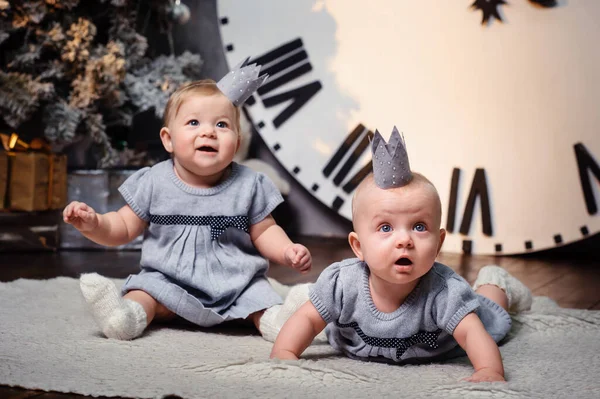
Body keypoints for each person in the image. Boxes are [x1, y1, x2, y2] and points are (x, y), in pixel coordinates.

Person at [63, 59, 311, 342]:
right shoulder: (154, 181)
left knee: (260, 298)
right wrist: (93, 223)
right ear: (168, 140)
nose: (208, 132)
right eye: (194, 122)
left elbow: (265, 231)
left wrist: (287, 250)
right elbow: (122, 226)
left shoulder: (249, 184)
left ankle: (277, 321)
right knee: (145, 291)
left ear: (237, 140)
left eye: (221, 124)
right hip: (169, 280)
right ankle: (126, 317)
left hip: (236, 283)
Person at [270, 127, 532, 382]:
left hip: (441, 345)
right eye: (385, 228)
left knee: (487, 306)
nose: (404, 240)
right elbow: (307, 319)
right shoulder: (343, 283)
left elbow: (472, 334)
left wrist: (489, 370)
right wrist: (285, 352)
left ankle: (496, 281)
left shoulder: (444, 292)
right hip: (357, 340)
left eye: (419, 227)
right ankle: (296, 295)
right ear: (358, 247)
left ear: (438, 242)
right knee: (310, 303)